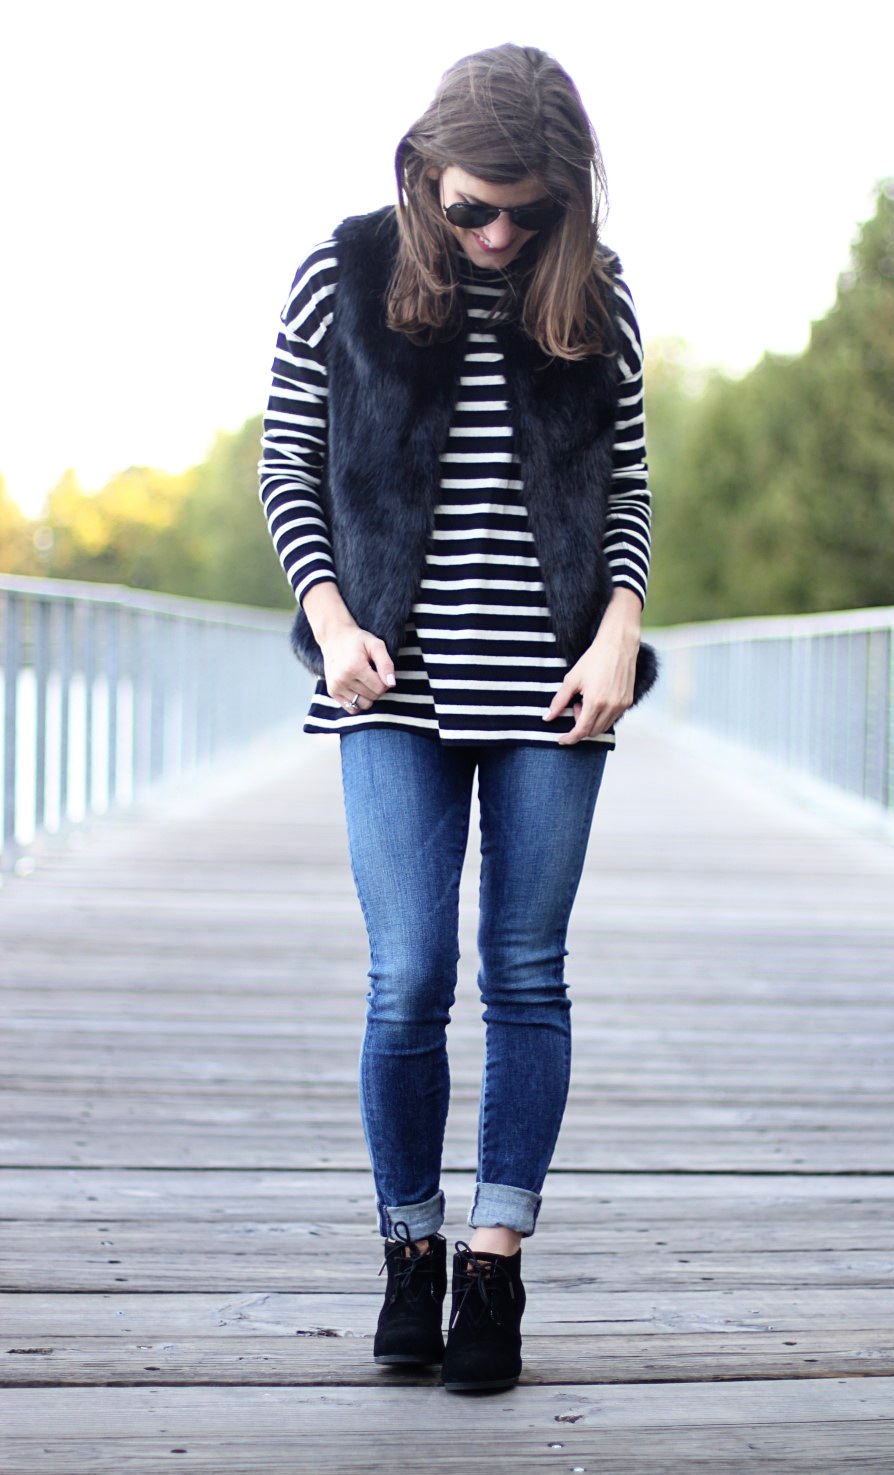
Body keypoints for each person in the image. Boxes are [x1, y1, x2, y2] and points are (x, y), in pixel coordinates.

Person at [257, 42, 657, 1393]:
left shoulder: (596, 299)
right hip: (391, 683)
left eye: (528, 215)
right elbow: (289, 460)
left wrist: (620, 630)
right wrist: (328, 621)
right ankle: (410, 1249)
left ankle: (495, 1263)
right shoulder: (345, 270)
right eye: (477, 206)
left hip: (556, 685)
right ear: (425, 171)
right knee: (407, 977)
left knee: (526, 974)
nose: (497, 234)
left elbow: (631, 492)